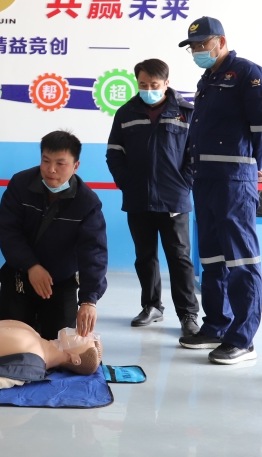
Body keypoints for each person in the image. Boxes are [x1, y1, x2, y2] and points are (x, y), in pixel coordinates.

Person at [176, 16, 262, 365]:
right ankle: (216, 325)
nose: (197, 51)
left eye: (202, 44)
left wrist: (249, 165)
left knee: (241, 258)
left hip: (234, 180)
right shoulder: (207, 79)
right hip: (205, 178)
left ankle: (242, 338)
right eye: (193, 46)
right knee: (211, 257)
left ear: (221, 41)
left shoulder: (247, 73)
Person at [106, 58, 200, 338]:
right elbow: (114, 153)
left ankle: (188, 314)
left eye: (154, 84)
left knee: (179, 258)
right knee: (144, 256)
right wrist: (126, 183)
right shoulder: (126, 113)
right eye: (143, 84)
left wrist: (184, 183)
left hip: (174, 198)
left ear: (166, 83)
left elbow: (195, 153)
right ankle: (151, 306)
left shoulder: (186, 113)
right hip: (138, 198)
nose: (148, 89)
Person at [0, 131, 107, 340]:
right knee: (13, 343)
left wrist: (88, 301)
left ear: (76, 166)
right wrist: (31, 266)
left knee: (60, 346)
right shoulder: (20, 184)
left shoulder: (87, 202)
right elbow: (8, 231)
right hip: (20, 278)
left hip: (60, 283)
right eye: (46, 161)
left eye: (60, 163)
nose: (51, 169)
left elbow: (94, 252)